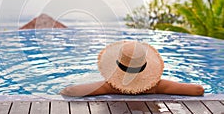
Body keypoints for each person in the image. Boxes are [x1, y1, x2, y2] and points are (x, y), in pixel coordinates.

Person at [60, 40, 204, 97]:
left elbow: (70, 91)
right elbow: (198, 90)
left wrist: (63, 90)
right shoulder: (157, 86)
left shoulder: (110, 87)